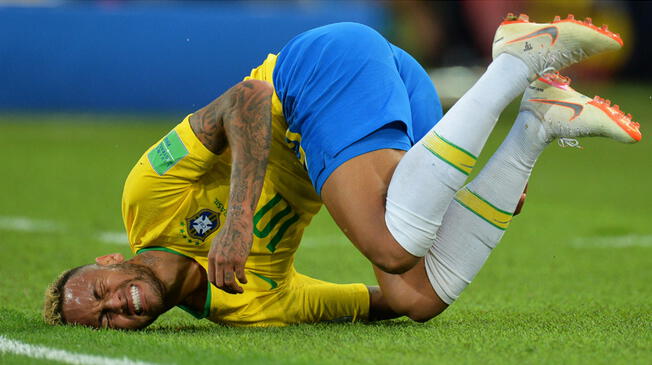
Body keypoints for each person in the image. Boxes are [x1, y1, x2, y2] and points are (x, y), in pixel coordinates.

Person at [44, 15, 641, 329]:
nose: (113, 307)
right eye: (102, 323)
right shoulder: (244, 308)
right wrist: (473, 210)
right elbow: (376, 302)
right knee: (414, 296)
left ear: (108, 262)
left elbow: (248, 97)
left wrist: (237, 222)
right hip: (393, 100)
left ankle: (513, 65)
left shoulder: (146, 196)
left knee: (389, 244)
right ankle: (536, 127)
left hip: (317, 72)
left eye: (96, 294)